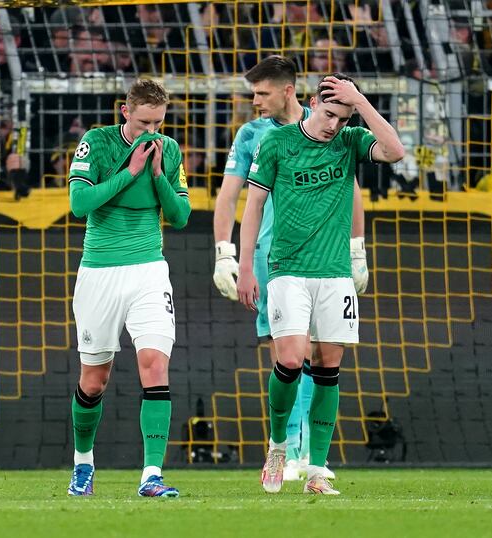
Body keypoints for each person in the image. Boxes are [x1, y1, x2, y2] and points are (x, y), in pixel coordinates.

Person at [237, 73, 404, 495]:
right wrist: (244, 265)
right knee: (292, 360)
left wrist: (360, 103)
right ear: (312, 102)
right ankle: (277, 446)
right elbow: (254, 205)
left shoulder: (348, 143)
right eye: (329, 114)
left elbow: (395, 151)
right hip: (287, 270)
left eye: (342, 119)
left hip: (334, 275)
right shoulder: (276, 143)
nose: (333, 125)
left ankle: (316, 470)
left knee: (329, 367)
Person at [212, 56, 368, 482]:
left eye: (261, 93)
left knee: (324, 357)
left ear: (287, 90)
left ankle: (306, 454)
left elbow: (353, 191)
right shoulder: (252, 134)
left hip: (330, 260)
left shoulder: (333, 126)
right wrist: (225, 254)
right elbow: (231, 197)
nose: (255, 101)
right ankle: (288, 447)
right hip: (275, 260)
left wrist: (358, 250)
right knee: (290, 357)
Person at [66, 79, 190, 498]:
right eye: (143, 123)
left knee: (154, 364)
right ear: (125, 112)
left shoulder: (169, 152)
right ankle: (83, 465)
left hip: (149, 271)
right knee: (94, 380)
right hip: (99, 273)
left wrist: (156, 176)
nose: (151, 132)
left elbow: (181, 215)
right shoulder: (96, 144)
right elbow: (80, 205)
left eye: (158, 123)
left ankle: (151, 475)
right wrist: (130, 171)